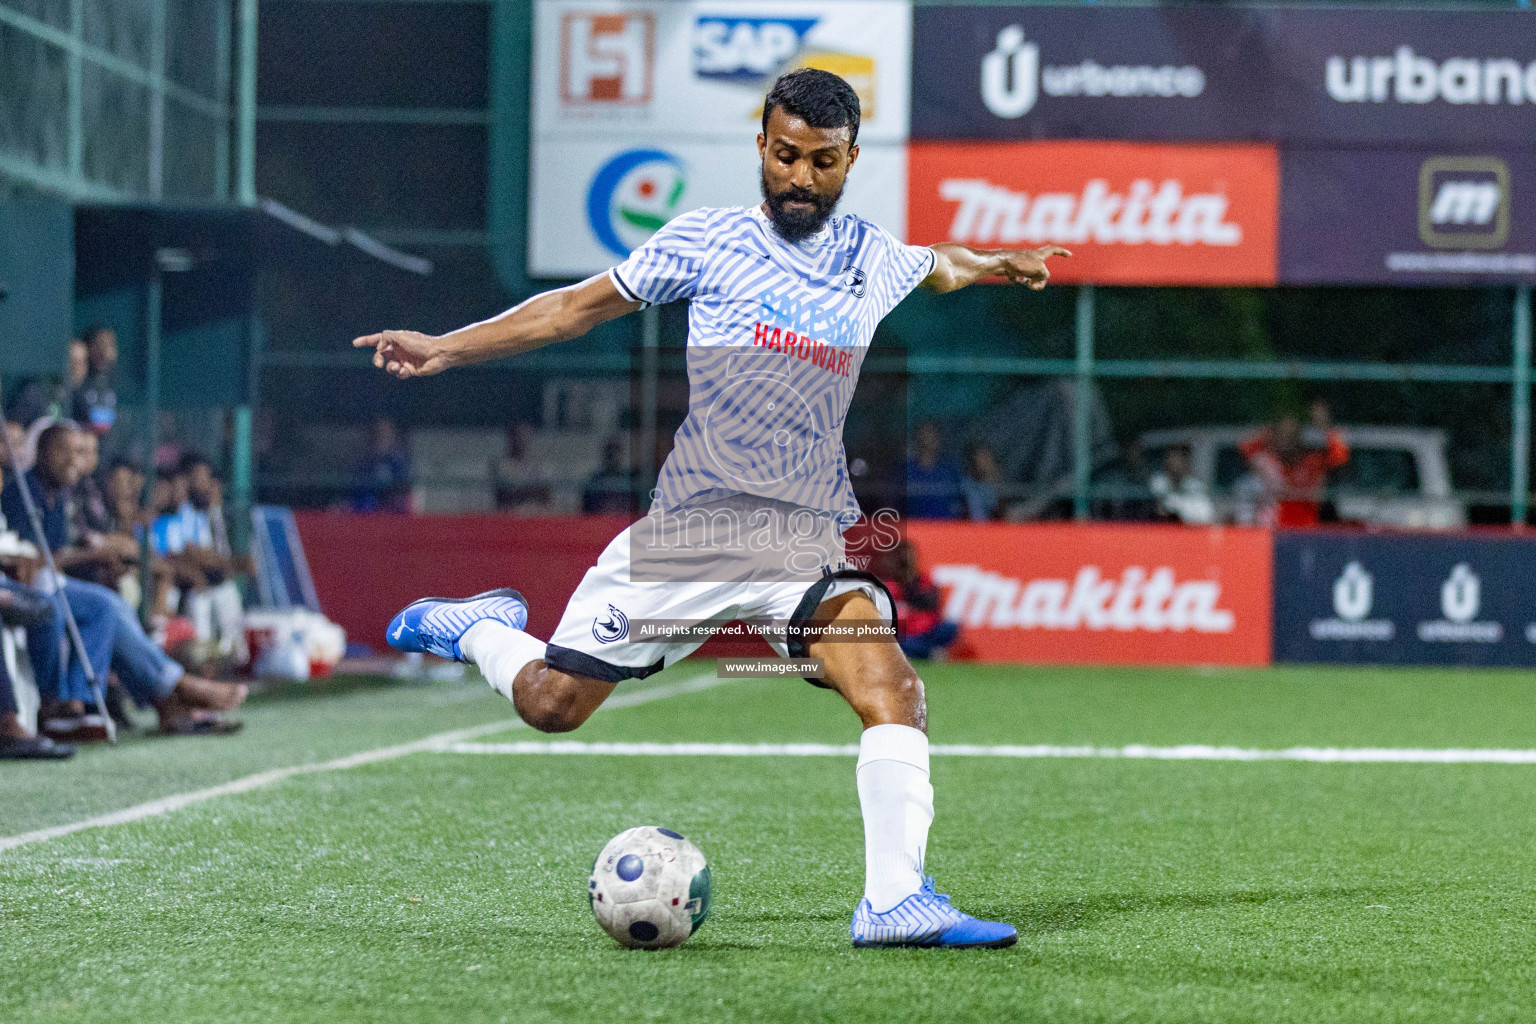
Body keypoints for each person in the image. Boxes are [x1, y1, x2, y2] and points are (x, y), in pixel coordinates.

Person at [356, 69, 1069, 949]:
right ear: (760, 147)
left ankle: (893, 901)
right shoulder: (705, 242)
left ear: (849, 162)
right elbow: (574, 309)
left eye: (821, 162)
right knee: (551, 703)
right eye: (784, 156)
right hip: (694, 532)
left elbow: (942, 267)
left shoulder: (872, 257)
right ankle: (478, 630)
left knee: (892, 689)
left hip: (805, 541)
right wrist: (445, 349)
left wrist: (997, 263)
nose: (799, 178)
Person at [3, 424, 249, 736]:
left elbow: (56, 556)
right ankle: (168, 690)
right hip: (33, 586)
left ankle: (114, 700)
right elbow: (32, 560)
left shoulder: (59, 495)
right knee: (105, 606)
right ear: (41, 453)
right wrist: (96, 555)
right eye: (64, 451)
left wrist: (104, 558)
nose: (72, 460)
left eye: (79, 452)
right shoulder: (21, 492)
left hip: (59, 584)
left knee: (109, 606)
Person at [1239, 401, 1349, 528]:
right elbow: (1245, 448)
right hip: (1274, 529)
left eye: (1291, 435)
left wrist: (1324, 426)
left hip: (1306, 527)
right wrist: (1271, 428)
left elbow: (1340, 456)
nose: (1286, 440)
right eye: (1282, 434)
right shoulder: (1269, 462)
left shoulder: (1312, 462)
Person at [886, 540, 960, 662]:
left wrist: (910, 586)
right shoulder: (889, 584)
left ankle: (919, 653)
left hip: (926, 630)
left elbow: (932, 604)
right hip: (902, 632)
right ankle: (927, 654)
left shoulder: (924, 581)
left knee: (950, 626)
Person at [904, 421, 963, 519]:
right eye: (924, 434)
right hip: (914, 529)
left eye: (932, 434)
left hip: (946, 529)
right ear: (917, 439)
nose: (928, 438)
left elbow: (959, 504)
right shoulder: (904, 471)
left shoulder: (950, 470)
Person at [351, 417, 412, 513]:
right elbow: (358, 486)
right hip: (369, 508)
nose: (381, 437)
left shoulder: (400, 461)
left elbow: (404, 486)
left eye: (385, 433)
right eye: (378, 434)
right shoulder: (365, 462)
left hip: (394, 508)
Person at [1149, 445, 1215, 525]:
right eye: (1171, 458)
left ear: (1186, 462)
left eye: (1179, 459)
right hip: (1160, 530)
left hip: (1188, 532)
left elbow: (1205, 516)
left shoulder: (1197, 487)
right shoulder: (1157, 483)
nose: (1174, 464)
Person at [73, 326, 119, 439]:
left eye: (110, 346)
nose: (105, 353)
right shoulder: (77, 385)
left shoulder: (116, 385)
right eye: (99, 345)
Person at [580, 438, 633, 516]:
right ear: (605, 455)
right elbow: (587, 510)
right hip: (599, 522)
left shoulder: (629, 480)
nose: (613, 458)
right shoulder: (594, 481)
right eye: (610, 454)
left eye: (616, 453)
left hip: (622, 521)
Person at [960, 445, 1002, 522]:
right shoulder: (969, 485)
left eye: (987, 457)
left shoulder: (1001, 482)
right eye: (981, 458)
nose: (986, 461)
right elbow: (978, 516)